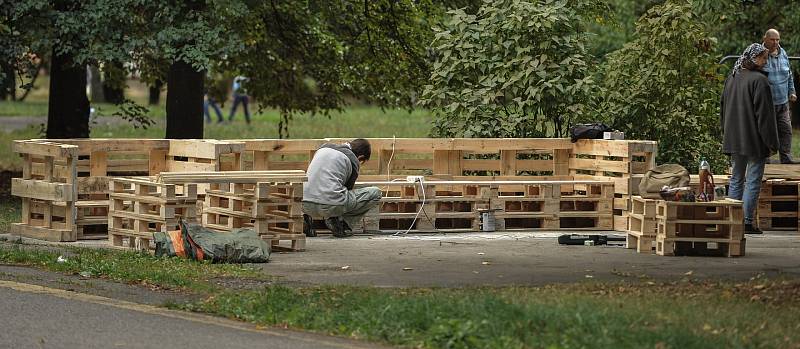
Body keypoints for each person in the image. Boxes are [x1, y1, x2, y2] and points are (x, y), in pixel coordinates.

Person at [721, 43, 780, 234]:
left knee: (737, 178)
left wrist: (725, 134)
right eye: (763, 58)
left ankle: (732, 220)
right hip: (754, 140)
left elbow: (723, 111)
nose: (765, 62)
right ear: (753, 58)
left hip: (734, 138)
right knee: (753, 179)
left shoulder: (732, 77)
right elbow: (765, 116)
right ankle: (746, 222)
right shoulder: (759, 81)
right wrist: (771, 143)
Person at [302, 139, 382, 237]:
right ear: (360, 157)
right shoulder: (353, 160)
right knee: (376, 193)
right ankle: (341, 224)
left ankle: (305, 220)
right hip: (331, 205)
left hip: (304, 203)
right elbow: (347, 189)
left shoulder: (323, 148)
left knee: (315, 186)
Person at [762, 29, 798, 164]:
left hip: (783, 102)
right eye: (772, 39)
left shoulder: (783, 54)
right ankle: (764, 161)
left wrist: (792, 91)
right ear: (765, 39)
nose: (775, 42)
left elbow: (789, 75)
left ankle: (786, 159)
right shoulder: (759, 54)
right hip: (766, 103)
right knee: (766, 132)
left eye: (777, 40)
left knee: (786, 131)